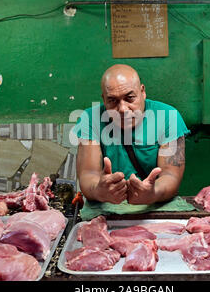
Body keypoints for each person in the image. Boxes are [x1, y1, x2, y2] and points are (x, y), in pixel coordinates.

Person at [74, 64, 190, 205]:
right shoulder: (90, 119)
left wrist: (152, 193)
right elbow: (88, 174)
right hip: (107, 208)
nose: (122, 109)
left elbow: (171, 175)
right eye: (112, 100)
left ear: (142, 92)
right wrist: (98, 190)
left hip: (154, 205)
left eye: (129, 98)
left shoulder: (169, 117)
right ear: (103, 99)